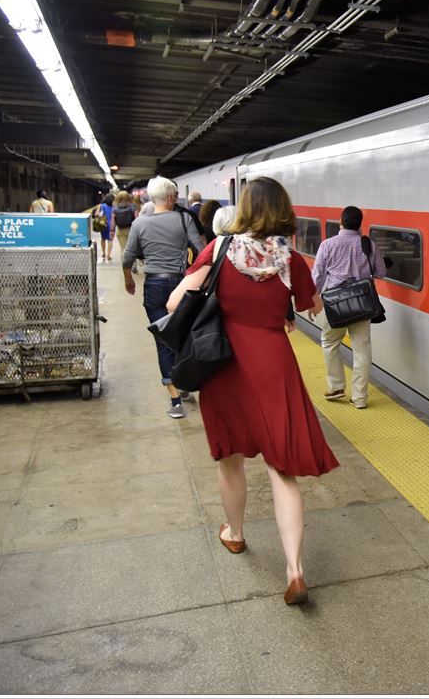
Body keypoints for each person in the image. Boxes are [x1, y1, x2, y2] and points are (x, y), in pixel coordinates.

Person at [166, 176, 336, 606]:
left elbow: (174, 303)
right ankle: (295, 570)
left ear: (244, 208)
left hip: (225, 364)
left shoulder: (220, 248)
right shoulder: (289, 259)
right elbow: (313, 306)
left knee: (231, 459)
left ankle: (236, 534)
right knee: (282, 469)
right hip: (274, 363)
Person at [121, 176, 205, 418]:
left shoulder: (139, 223)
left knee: (163, 339)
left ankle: (175, 400)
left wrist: (128, 279)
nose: (176, 199)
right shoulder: (184, 219)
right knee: (183, 335)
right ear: (169, 198)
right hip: (181, 285)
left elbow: (127, 258)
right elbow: (200, 252)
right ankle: (184, 381)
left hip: (154, 285)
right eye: (175, 196)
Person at [311, 205, 386, 409]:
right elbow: (380, 273)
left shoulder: (327, 245)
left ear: (341, 222)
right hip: (362, 305)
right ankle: (359, 398)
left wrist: (313, 301)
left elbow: (317, 277)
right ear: (360, 224)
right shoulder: (369, 245)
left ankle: (336, 387)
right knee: (362, 350)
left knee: (329, 342)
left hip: (336, 305)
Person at [111, 191, 137, 272]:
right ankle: (134, 267)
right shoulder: (132, 207)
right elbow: (137, 219)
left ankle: (125, 267)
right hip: (131, 230)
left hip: (120, 230)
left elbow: (113, 221)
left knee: (123, 249)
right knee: (132, 249)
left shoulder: (115, 209)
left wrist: (112, 231)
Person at [94, 193, 115, 262]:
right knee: (110, 240)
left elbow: (96, 214)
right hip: (111, 224)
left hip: (103, 224)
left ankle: (103, 253)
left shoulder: (101, 205)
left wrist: (100, 214)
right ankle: (109, 255)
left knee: (103, 239)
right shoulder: (114, 207)